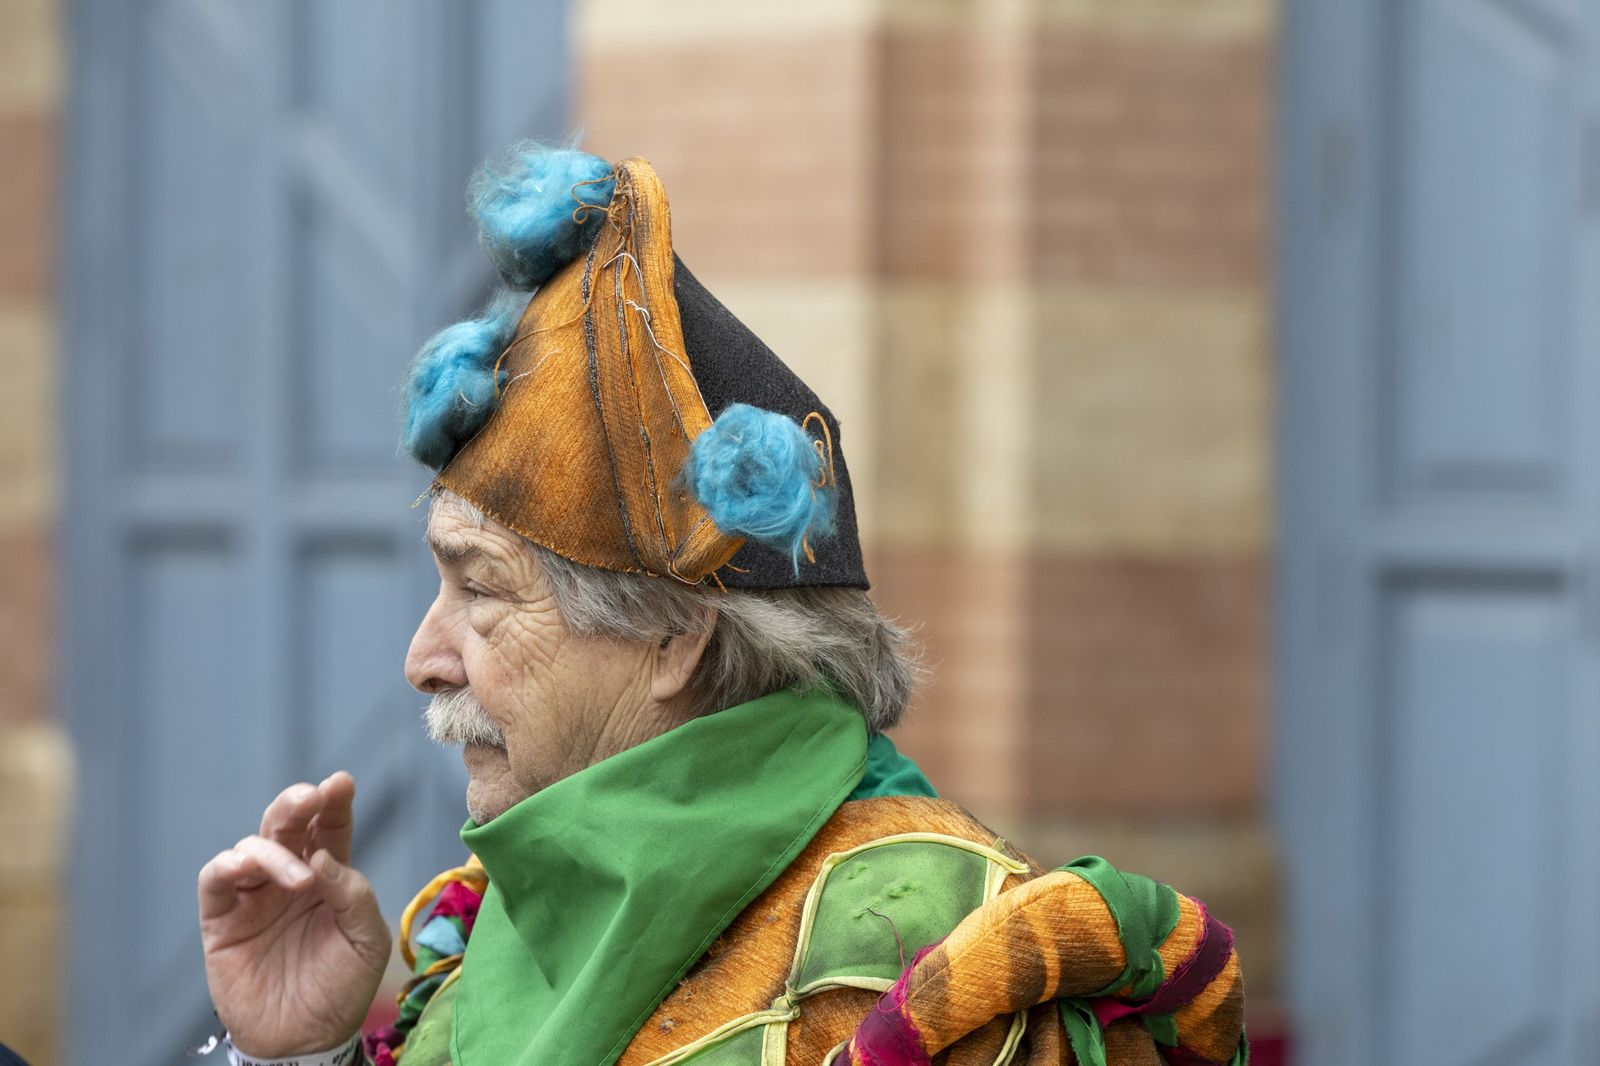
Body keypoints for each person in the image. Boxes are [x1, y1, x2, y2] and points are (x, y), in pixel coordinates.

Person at [197, 144, 1247, 1066]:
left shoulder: (942, 969)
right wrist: (295, 1055)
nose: (424, 656)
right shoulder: (495, 925)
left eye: (480, 589)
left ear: (672, 635)